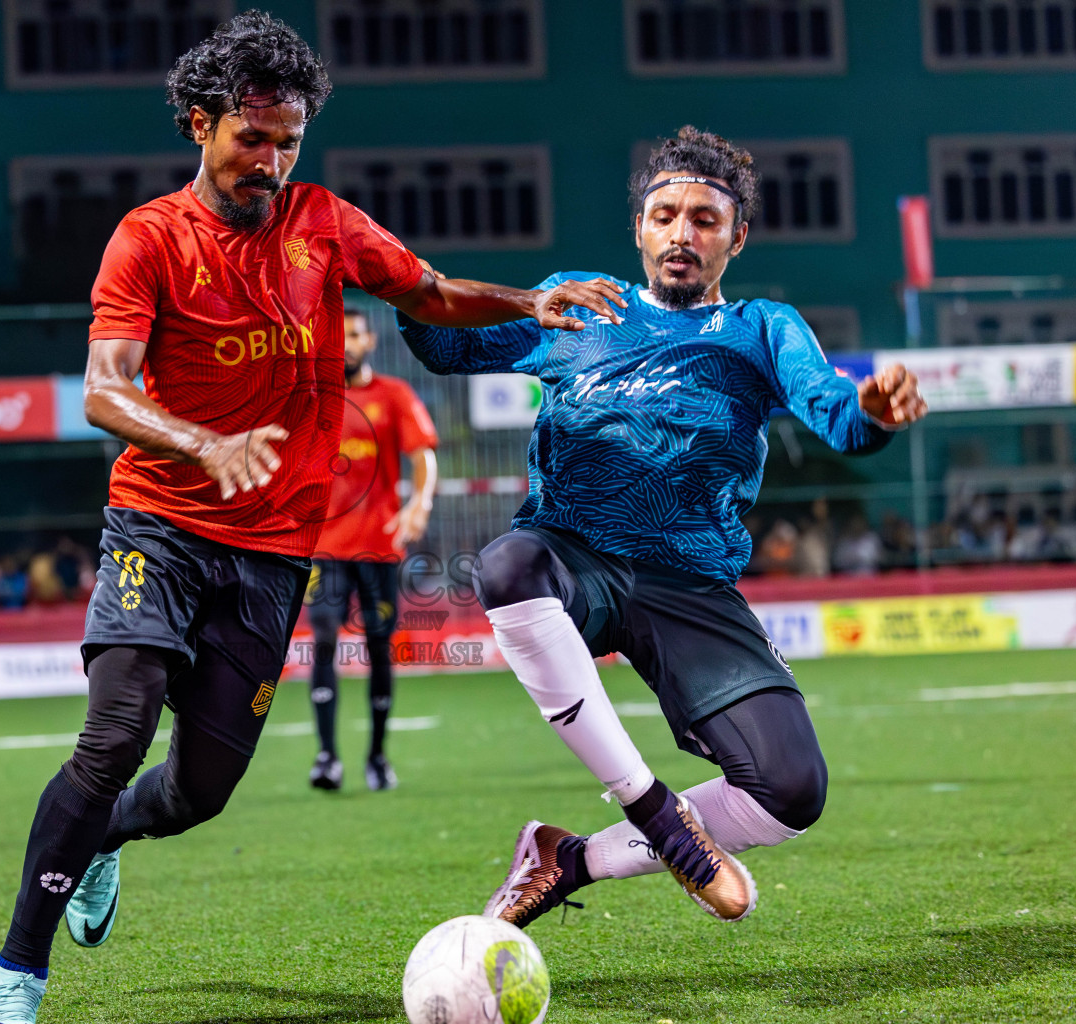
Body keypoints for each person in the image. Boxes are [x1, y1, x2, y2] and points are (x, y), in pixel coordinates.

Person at [0, 13, 629, 1023]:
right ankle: (17, 976)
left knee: (196, 792)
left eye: (288, 141)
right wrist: (203, 442)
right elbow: (104, 391)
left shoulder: (324, 222)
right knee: (114, 736)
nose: (270, 161)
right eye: (252, 138)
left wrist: (527, 300)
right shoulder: (148, 237)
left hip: (276, 554)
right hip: (160, 525)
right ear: (201, 124)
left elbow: (434, 291)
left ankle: (104, 836)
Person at [396, 126, 928, 930]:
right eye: (666, 214)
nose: (683, 233)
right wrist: (397, 280)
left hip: (689, 580)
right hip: (574, 554)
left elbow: (837, 417)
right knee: (507, 565)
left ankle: (569, 857)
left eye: (705, 220)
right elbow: (442, 345)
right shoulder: (581, 301)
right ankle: (653, 813)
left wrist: (874, 412)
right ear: (640, 229)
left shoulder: (762, 327)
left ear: (736, 237)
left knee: (790, 791)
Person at [305, 308, 439, 792]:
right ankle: (326, 758)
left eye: (355, 334)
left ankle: (378, 757)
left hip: (379, 547)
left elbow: (423, 455)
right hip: (321, 546)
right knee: (322, 636)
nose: (346, 343)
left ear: (370, 341)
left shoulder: (393, 395)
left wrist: (419, 505)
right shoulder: (313, 398)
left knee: (379, 645)